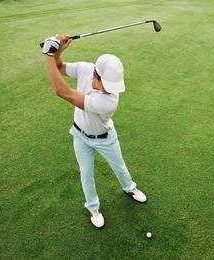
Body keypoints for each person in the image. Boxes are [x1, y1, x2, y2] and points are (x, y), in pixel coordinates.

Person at [42, 35, 147, 228]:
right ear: (95, 74)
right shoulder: (85, 68)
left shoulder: (109, 101)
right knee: (86, 173)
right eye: (107, 84)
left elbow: (61, 91)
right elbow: (59, 68)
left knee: (120, 167)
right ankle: (93, 207)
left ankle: (129, 188)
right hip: (80, 135)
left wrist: (49, 54)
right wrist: (58, 52)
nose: (110, 89)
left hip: (105, 139)